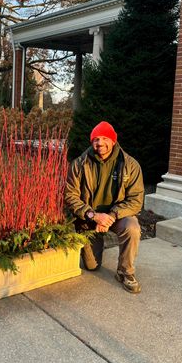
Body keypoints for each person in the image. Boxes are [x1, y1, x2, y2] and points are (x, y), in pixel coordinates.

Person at [65, 121, 144, 293]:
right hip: (89, 218)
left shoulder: (130, 165)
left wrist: (111, 216)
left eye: (104, 138)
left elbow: (136, 200)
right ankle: (95, 244)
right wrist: (93, 215)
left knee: (132, 228)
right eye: (96, 139)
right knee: (92, 266)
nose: (99, 143)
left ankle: (126, 272)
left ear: (113, 141)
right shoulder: (80, 164)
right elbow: (70, 196)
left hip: (116, 217)